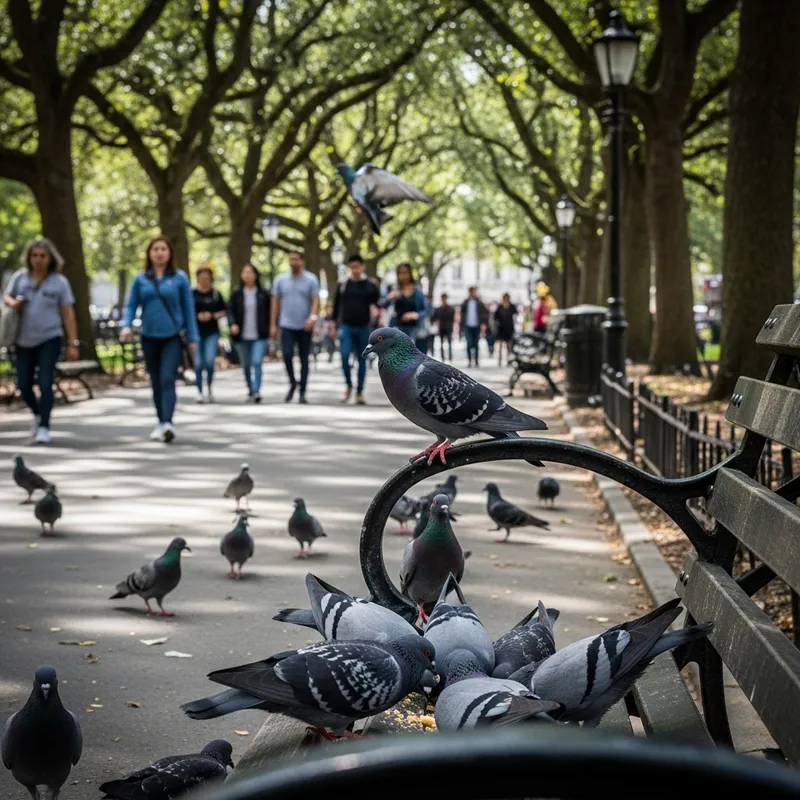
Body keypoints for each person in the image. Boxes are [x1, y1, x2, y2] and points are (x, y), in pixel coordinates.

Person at [120, 236, 199, 443]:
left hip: (172, 337)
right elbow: (131, 305)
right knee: (155, 380)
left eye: (163, 249)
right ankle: (160, 421)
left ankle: (168, 422)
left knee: (167, 377)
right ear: (149, 253)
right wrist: (126, 325)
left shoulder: (179, 278)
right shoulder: (141, 279)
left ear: (170, 253)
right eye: (155, 249)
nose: (159, 253)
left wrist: (192, 337)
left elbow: (188, 308)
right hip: (149, 336)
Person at [2, 238, 79, 444]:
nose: (38, 260)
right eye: (34, 255)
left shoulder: (59, 282)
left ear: (50, 258)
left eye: (43, 256)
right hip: (22, 340)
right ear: (29, 258)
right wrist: (14, 303)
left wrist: (73, 342)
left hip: (49, 338)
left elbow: (68, 313)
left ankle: (44, 426)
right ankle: (37, 414)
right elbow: (6, 297)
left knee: (45, 383)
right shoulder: (20, 278)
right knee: (24, 384)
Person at [270, 251, 319, 404]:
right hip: (286, 324)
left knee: (304, 359)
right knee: (287, 354)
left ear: (302, 261)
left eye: (296, 259)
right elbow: (275, 303)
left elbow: (315, 301)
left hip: (305, 326)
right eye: (291, 259)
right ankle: (292, 382)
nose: (293, 262)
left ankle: (302, 391)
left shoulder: (311, 279)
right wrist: (273, 324)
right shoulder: (280, 280)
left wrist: (312, 317)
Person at [330, 253, 379, 404]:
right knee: (344, 355)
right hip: (346, 326)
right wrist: (332, 324)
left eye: (357, 267)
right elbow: (336, 306)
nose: (355, 270)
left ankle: (359, 391)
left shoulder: (370, 285)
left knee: (362, 359)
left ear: (363, 267)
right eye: (352, 267)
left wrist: (376, 311)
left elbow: (378, 303)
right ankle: (348, 385)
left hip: (364, 326)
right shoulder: (343, 284)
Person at [228, 263, 271, 403]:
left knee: (257, 361)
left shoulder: (263, 293)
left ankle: (257, 390)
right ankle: (250, 389)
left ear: (255, 275)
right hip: (241, 335)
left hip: (259, 334)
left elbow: (270, 312)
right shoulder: (236, 293)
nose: (248, 275)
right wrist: (232, 324)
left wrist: (272, 327)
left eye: (250, 272)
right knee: (246, 364)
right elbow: (230, 311)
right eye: (245, 272)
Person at [192, 265, 227, 403]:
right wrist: (197, 316)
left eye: (207, 278)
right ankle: (199, 391)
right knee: (198, 363)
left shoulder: (216, 294)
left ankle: (210, 387)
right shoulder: (191, 294)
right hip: (196, 333)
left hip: (212, 332)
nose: (204, 281)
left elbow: (224, 311)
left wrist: (211, 315)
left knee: (209, 360)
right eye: (202, 278)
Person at [384, 263, 429, 353]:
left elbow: (426, 310)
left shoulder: (418, 291)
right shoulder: (393, 289)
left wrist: (415, 315)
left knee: (417, 358)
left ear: (410, 273)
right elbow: (383, 306)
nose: (403, 276)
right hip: (398, 330)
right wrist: (389, 298)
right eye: (400, 273)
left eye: (405, 272)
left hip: (417, 330)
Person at [460, 286, 489, 367]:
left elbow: (485, 313)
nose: (473, 293)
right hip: (467, 326)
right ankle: (469, 360)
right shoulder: (465, 302)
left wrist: (484, 323)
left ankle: (476, 360)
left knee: (476, 343)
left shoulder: (479, 302)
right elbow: (461, 313)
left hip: (477, 325)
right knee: (469, 343)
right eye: (472, 292)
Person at [494, 293, 518, 366]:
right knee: (500, 344)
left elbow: (516, 315)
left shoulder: (512, 306)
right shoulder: (500, 307)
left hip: (509, 327)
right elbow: (495, 317)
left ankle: (508, 359)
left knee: (509, 344)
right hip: (501, 327)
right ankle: (500, 359)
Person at [430, 293, 455, 361]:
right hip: (441, 328)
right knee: (441, 343)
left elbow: (452, 318)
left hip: (449, 328)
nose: (444, 300)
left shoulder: (450, 308)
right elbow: (433, 318)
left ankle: (450, 356)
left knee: (449, 343)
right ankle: (442, 357)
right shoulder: (438, 309)